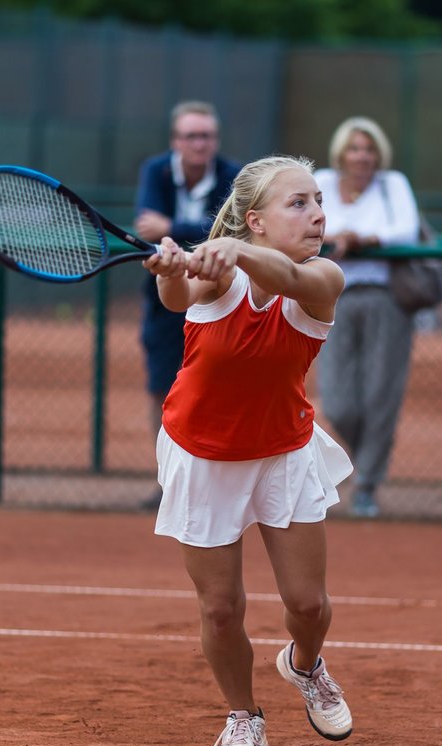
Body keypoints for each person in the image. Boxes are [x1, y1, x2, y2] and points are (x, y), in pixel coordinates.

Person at [145, 155, 353, 746]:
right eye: (299, 203)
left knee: (308, 604)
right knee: (219, 607)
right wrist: (168, 269)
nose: (317, 213)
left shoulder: (326, 278)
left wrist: (231, 250)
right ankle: (243, 717)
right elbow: (176, 294)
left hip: (283, 452)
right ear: (255, 219)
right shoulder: (216, 274)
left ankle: (305, 665)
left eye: (318, 200)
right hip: (201, 454)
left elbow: (290, 279)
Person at [133, 101, 242, 506]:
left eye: (207, 136)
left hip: (222, 298)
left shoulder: (234, 175)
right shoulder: (155, 171)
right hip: (165, 300)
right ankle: (169, 483)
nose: (200, 144)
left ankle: (220, 479)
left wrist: (173, 229)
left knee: (220, 389)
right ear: (175, 141)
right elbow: (147, 224)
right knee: (163, 387)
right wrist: (186, 239)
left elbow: (232, 228)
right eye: (191, 136)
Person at [312, 117, 420, 518]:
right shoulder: (320, 180)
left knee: (381, 394)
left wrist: (363, 238)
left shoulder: (394, 185)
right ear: (341, 152)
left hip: (385, 297)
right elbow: (302, 224)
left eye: (369, 149)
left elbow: (405, 230)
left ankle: (368, 485)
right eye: (355, 148)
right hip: (329, 295)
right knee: (339, 401)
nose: (362, 156)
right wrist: (341, 236)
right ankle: (363, 458)